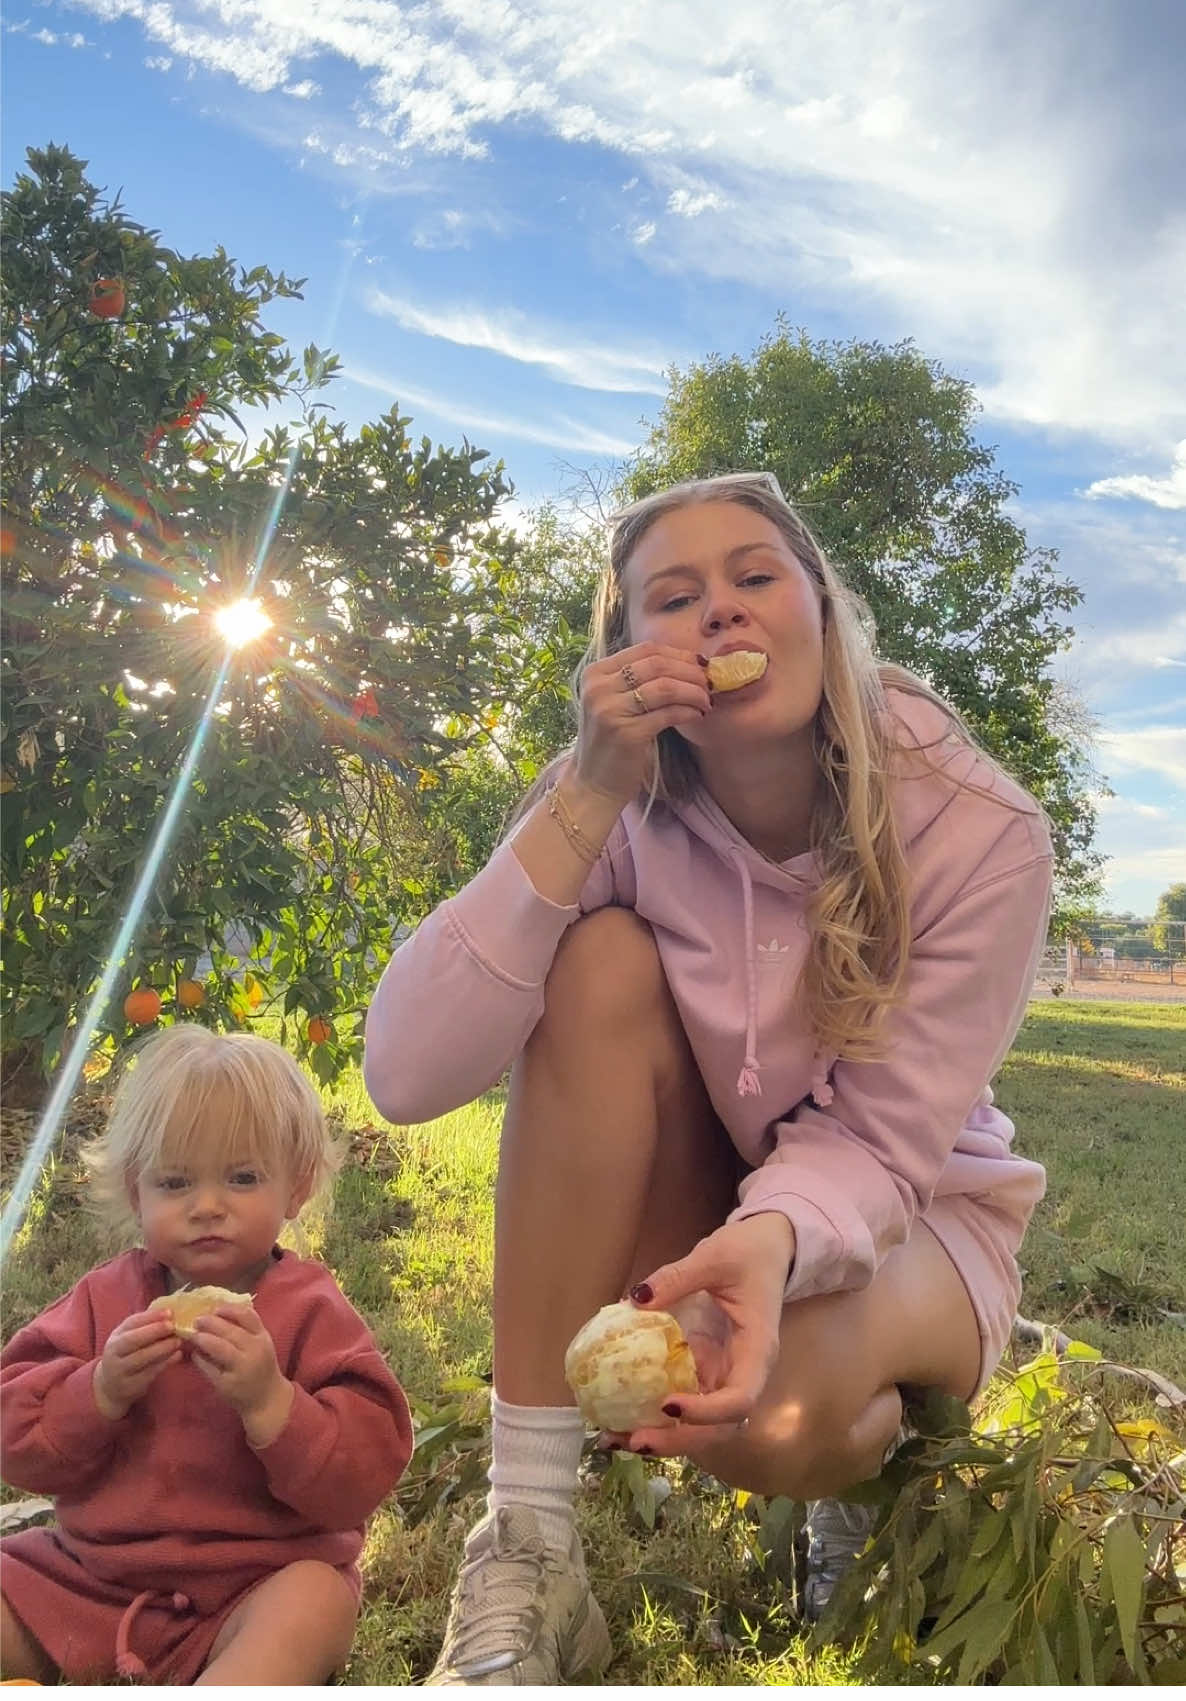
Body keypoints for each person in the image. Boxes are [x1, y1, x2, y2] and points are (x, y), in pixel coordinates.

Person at [363, 471, 1052, 1684]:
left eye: (754, 578)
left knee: (783, 1424)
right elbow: (409, 1073)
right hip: (712, 1181)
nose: (719, 615)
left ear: (823, 616)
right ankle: (524, 1540)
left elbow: (888, 1139)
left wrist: (774, 1241)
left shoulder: (973, 825)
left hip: (919, 1204)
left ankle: (869, 1465)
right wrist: (584, 789)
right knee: (594, 962)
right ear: (625, 659)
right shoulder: (618, 796)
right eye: (672, 598)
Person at [0, 1023, 414, 1685]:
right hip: (90, 1582)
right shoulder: (103, 1302)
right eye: (176, 1182)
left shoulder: (311, 1310)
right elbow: (16, 1437)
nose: (208, 1206)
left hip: (252, 1590)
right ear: (137, 1192)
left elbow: (366, 1470)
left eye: (243, 1177)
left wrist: (273, 1403)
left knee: (314, 1598)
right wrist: (98, 1390)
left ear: (297, 1185)